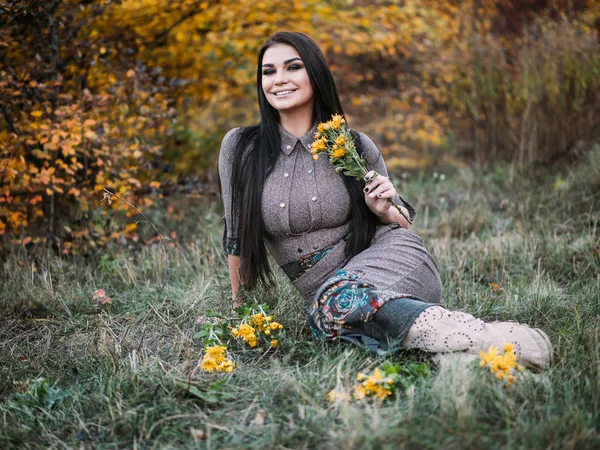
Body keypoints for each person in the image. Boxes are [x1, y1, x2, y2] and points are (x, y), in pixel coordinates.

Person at [218, 31, 553, 369]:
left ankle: (490, 338)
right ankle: (469, 361)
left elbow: (402, 223)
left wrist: (385, 208)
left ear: (315, 75)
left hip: (393, 262)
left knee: (333, 306)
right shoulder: (241, 148)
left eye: (293, 67)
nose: (280, 80)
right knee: (331, 319)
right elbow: (236, 240)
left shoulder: (353, 145)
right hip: (330, 297)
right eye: (269, 71)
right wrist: (240, 313)